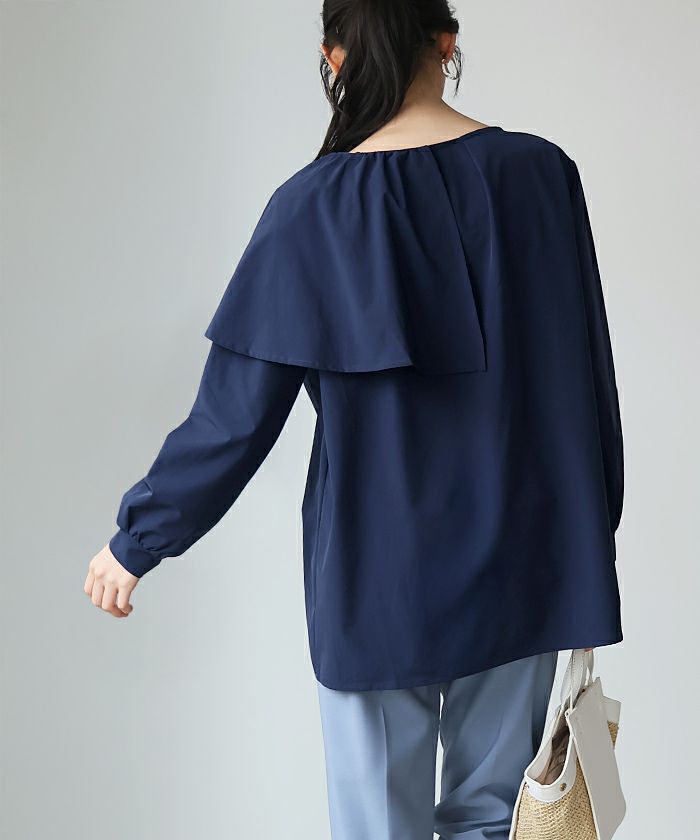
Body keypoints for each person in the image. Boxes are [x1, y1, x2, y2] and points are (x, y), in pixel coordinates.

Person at [83, 1, 624, 838]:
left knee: (377, 828)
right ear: (447, 43)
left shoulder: (310, 208)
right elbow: (587, 378)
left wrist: (137, 540)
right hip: (524, 560)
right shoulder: (541, 175)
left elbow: (234, 417)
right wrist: (588, 540)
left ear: (333, 57)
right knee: (494, 820)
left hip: (377, 579)